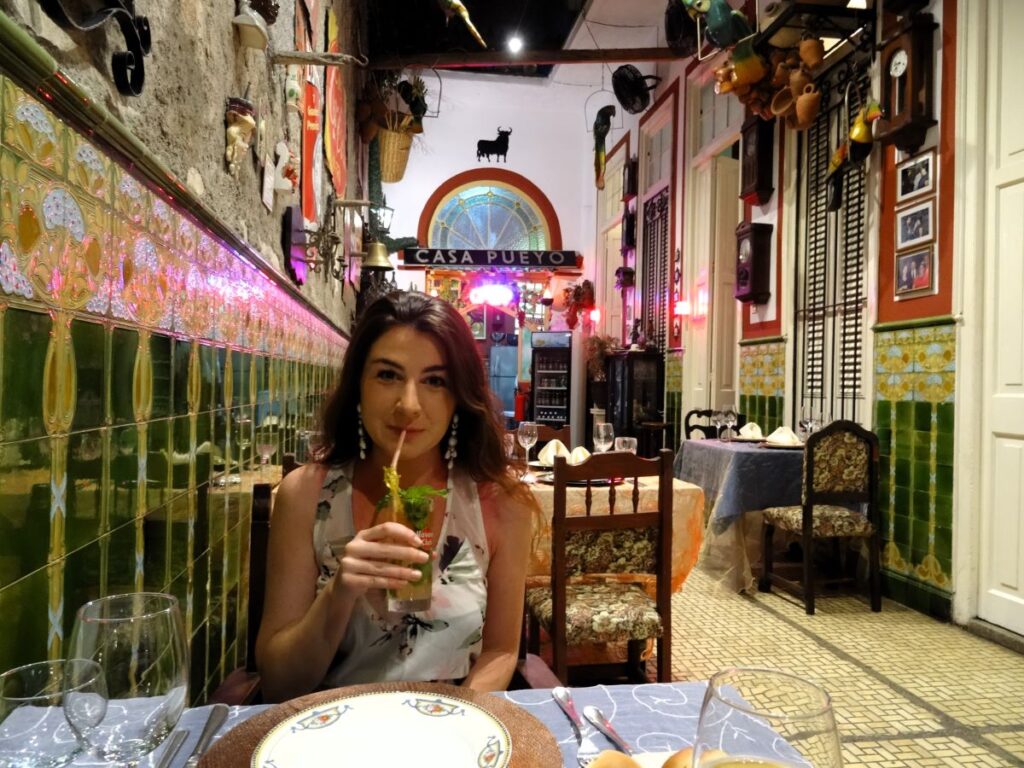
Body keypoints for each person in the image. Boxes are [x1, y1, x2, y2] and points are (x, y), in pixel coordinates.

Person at [256, 291, 535, 701]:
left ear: (459, 397)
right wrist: (339, 593)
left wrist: (458, 721)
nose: (408, 405)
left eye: (435, 381)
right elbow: (280, 682)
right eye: (388, 375)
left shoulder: (501, 504)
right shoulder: (306, 495)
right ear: (358, 387)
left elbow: (500, 650)